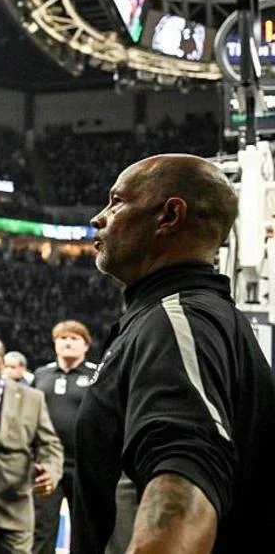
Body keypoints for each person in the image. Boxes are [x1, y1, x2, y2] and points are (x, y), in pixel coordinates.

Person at [74, 154, 275, 554]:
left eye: (116, 202)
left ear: (169, 216)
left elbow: (184, 476)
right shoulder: (189, 318)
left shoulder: (177, 322)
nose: (99, 217)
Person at [0, 333, 63, 554]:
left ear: (2, 361)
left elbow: (50, 445)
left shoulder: (31, 398)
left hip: (14, 502)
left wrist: (50, 471)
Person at [31, 321, 98, 554]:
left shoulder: (97, 374)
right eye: (62, 338)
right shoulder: (41, 375)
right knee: (42, 528)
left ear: (86, 346)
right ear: (54, 343)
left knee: (85, 529)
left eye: (74, 338)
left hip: (84, 464)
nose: (67, 342)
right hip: (46, 465)